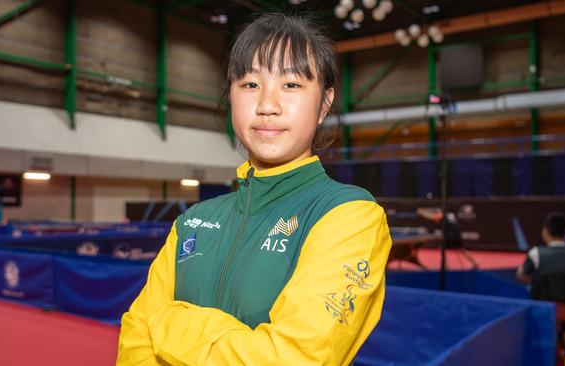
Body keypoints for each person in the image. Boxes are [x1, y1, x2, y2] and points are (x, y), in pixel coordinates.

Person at [116, 13, 392, 366]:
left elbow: (293, 359)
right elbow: (135, 340)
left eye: (291, 85)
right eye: (249, 84)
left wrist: (172, 326)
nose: (267, 106)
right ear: (230, 95)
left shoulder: (350, 215)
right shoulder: (193, 221)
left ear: (324, 103)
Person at [516, 212, 565, 284]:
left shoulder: (536, 253)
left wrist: (539, 284)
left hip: (542, 295)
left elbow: (521, 275)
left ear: (545, 232)